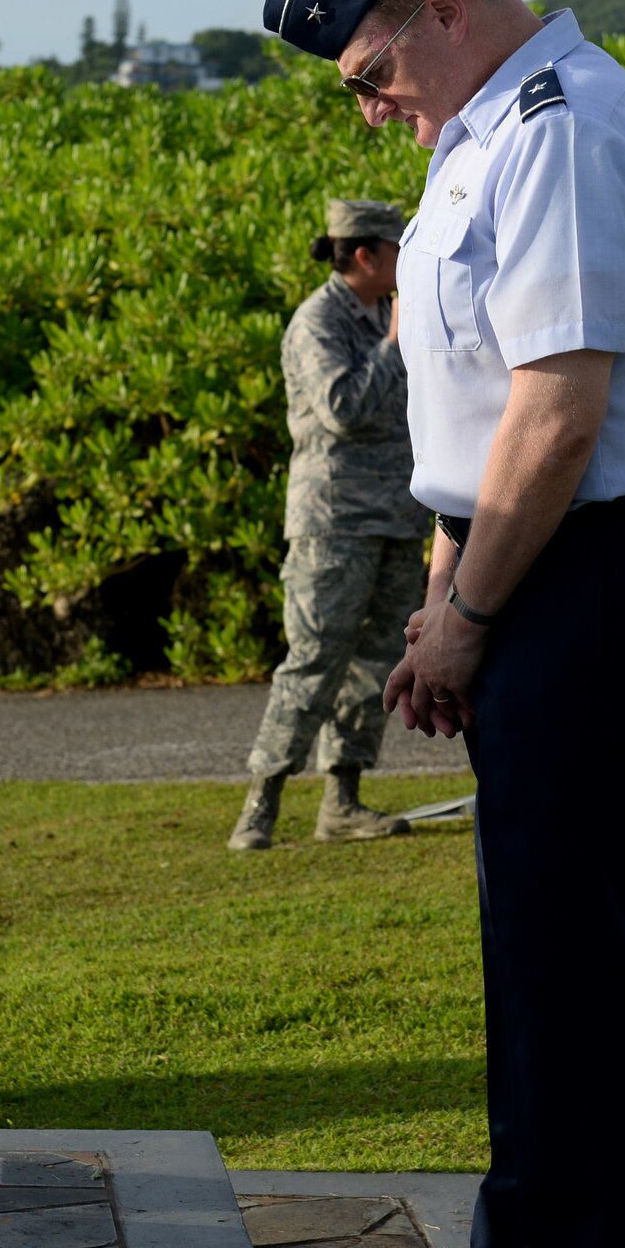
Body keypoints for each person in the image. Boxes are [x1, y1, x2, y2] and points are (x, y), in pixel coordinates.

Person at [261, 0, 625, 1248]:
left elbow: (561, 409)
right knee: (532, 981)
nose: (372, 108)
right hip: (540, 568)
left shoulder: (561, 134)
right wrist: (450, 576)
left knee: (577, 989)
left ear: (443, 10)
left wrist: (463, 612)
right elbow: (479, 399)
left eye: (373, 73)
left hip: (596, 575)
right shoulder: (486, 135)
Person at [228, 198, 428, 851]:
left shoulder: (381, 311)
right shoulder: (318, 321)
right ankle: (262, 804)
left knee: (374, 663)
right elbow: (342, 408)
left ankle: (341, 801)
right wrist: (395, 348)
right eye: (397, 248)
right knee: (314, 658)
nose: (406, 259)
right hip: (333, 523)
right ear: (366, 254)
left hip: (396, 517)